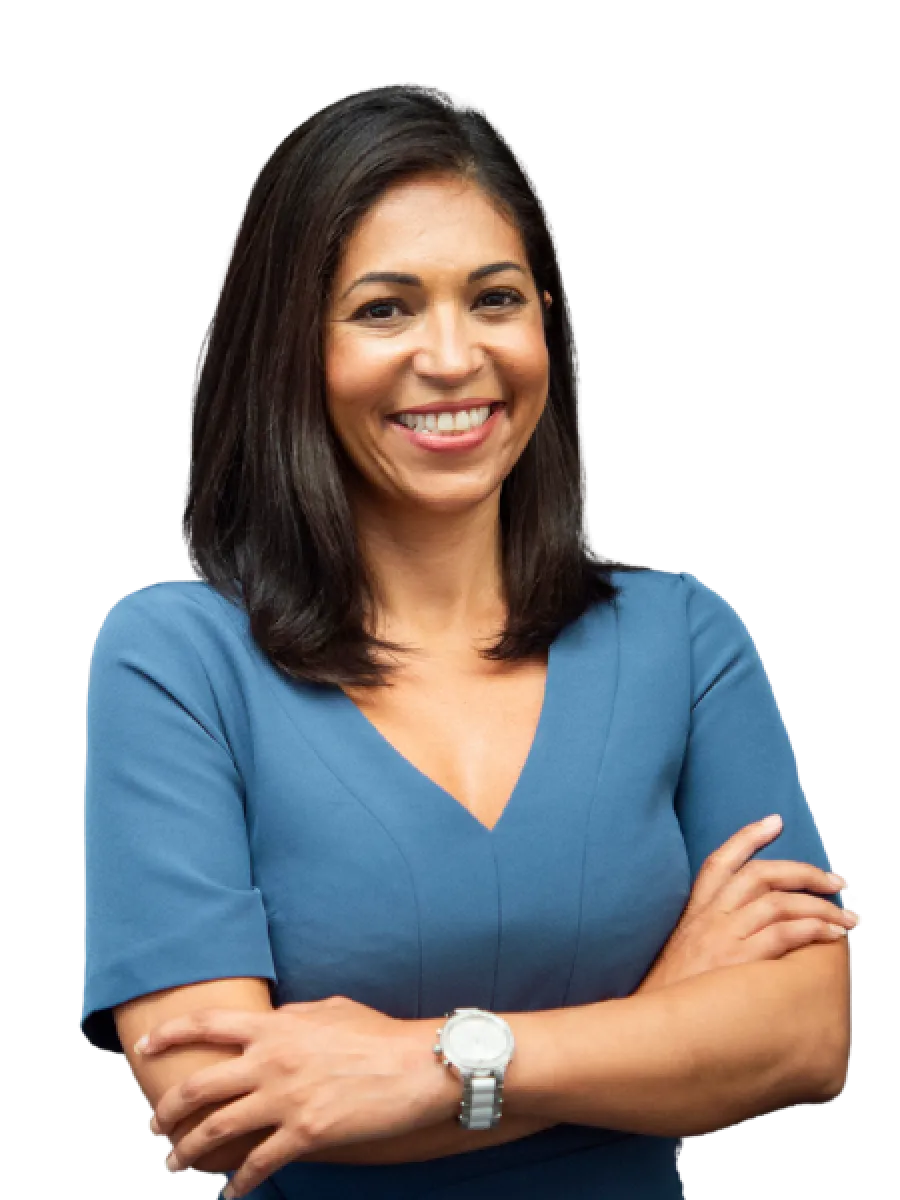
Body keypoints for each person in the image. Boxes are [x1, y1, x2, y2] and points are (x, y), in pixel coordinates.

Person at [80, 82, 853, 1199]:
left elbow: (807, 1037)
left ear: (545, 319)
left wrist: (429, 1062)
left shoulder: (687, 639)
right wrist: (662, 1024)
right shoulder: (177, 658)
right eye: (384, 309)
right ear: (293, 346)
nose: (452, 359)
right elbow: (223, 1110)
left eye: (494, 298)